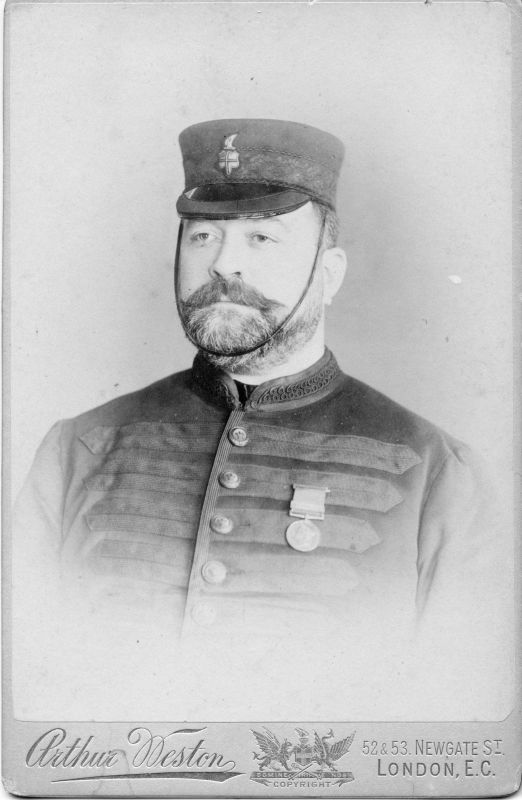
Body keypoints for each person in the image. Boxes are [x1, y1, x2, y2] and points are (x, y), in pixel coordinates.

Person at [12, 119, 510, 719]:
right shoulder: (78, 451)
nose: (225, 266)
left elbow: (459, 720)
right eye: (202, 238)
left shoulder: (439, 475)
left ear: (329, 275)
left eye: (262, 239)